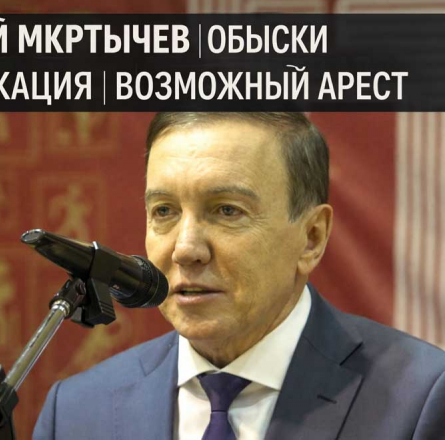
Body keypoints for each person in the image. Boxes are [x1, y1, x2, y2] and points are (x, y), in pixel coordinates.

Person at [33, 112, 445, 440]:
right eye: (164, 211)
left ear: (311, 237)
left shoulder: (420, 399)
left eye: (227, 210)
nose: (185, 249)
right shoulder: (76, 413)